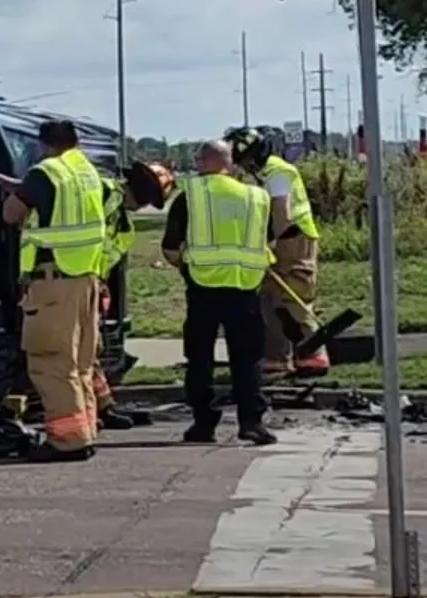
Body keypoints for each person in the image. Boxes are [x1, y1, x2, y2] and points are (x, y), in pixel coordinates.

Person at [0, 119, 107, 462]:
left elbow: (11, 214)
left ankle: (67, 442)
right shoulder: (86, 172)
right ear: (77, 141)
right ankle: (84, 432)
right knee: (79, 363)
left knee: (51, 362)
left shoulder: (45, 172)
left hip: (53, 281)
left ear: (42, 145)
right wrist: (12, 182)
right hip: (85, 278)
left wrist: (8, 191)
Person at [162, 140, 277, 446]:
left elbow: (170, 249)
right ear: (230, 163)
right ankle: (251, 422)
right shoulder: (256, 197)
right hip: (245, 287)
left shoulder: (192, 197)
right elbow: (271, 243)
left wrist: (189, 266)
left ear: (202, 162)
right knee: (248, 358)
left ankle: (204, 423)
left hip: (203, 287)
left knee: (200, 357)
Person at [225, 127, 329, 378]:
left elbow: (281, 214)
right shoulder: (265, 173)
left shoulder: (278, 172)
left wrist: (270, 244)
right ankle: (277, 357)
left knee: (292, 296)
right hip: (283, 240)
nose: (245, 166)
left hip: (293, 239)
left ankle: (313, 353)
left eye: (246, 160)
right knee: (269, 297)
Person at [90, 174, 140, 431]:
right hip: (81, 279)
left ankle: (101, 406)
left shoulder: (125, 225)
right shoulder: (105, 190)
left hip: (89, 282)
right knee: (84, 353)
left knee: (87, 352)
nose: (140, 206)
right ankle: (100, 407)